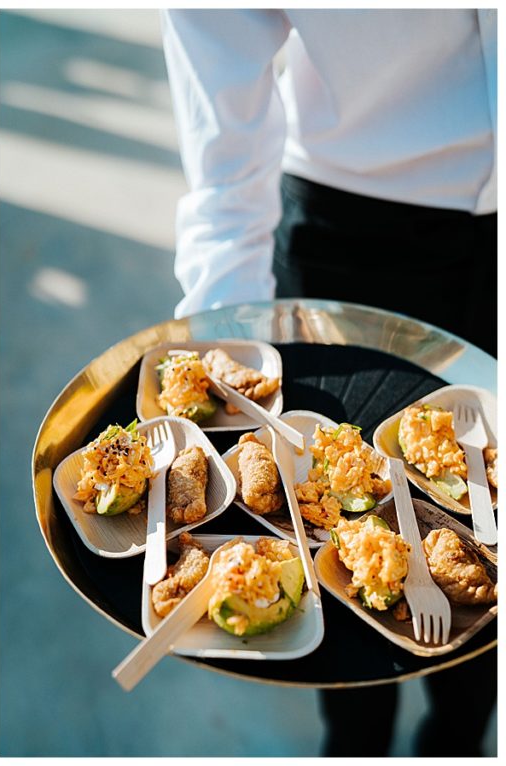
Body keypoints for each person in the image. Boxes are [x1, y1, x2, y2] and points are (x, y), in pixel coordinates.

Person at [162, 9, 495, 757]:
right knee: (340, 585)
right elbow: (221, 96)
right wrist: (230, 341)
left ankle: (462, 740)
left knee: (490, 614)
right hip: (353, 235)